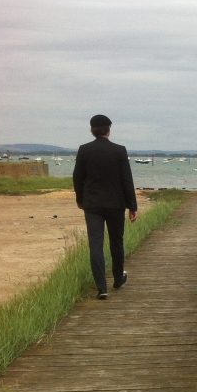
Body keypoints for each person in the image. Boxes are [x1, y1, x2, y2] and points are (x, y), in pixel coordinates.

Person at [72, 114, 138, 299]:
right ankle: (118, 278)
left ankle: (102, 288)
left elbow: (78, 177)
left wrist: (80, 198)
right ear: (109, 129)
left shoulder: (84, 150)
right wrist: (132, 206)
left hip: (92, 204)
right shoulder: (119, 150)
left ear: (92, 130)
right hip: (116, 204)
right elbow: (127, 180)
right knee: (116, 242)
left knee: (95, 244)